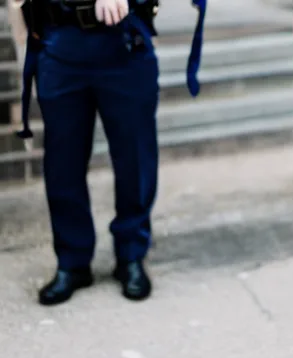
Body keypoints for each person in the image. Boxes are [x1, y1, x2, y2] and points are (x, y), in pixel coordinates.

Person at [13, 0, 206, 306]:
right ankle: (72, 261)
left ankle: (131, 254)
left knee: (135, 159)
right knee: (62, 163)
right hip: (60, 41)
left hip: (123, 41)